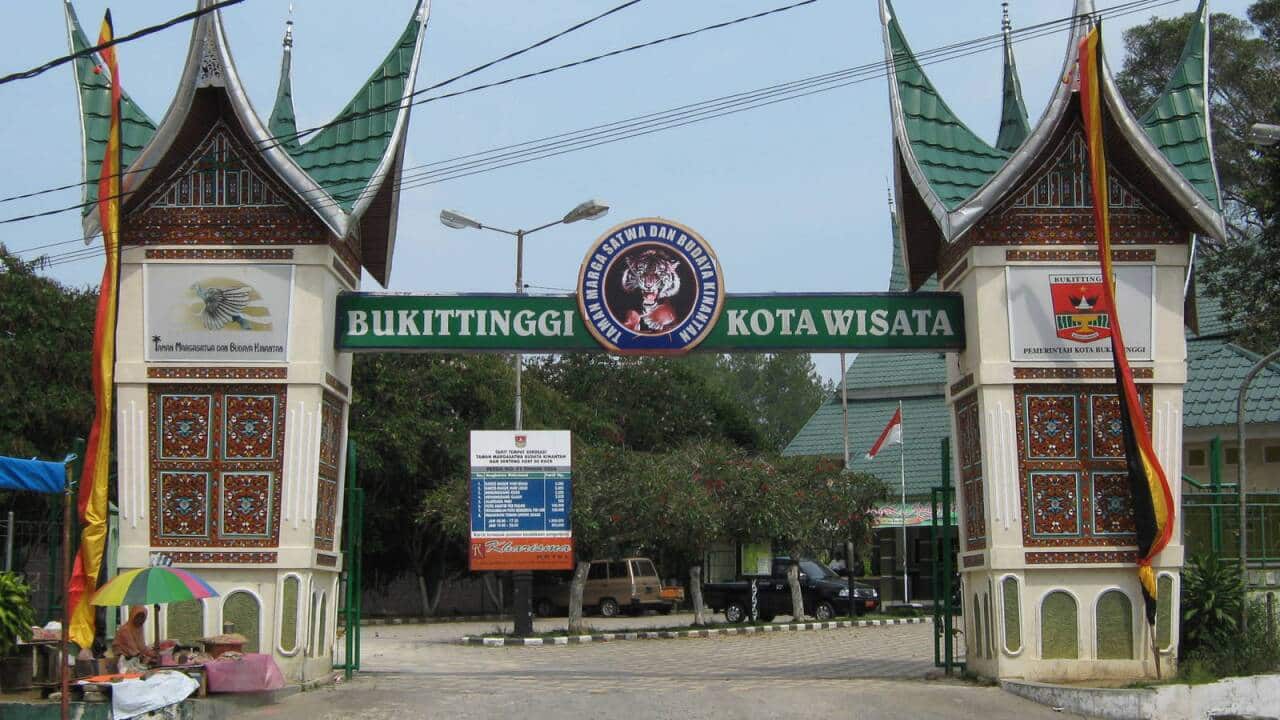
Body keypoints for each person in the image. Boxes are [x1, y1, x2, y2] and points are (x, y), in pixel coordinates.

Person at [112, 606, 156, 672]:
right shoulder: (125, 630)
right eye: (138, 617)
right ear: (132, 616)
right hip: (124, 661)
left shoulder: (139, 629)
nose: (140, 619)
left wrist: (153, 653)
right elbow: (133, 649)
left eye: (142, 617)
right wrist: (145, 657)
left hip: (134, 660)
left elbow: (142, 647)